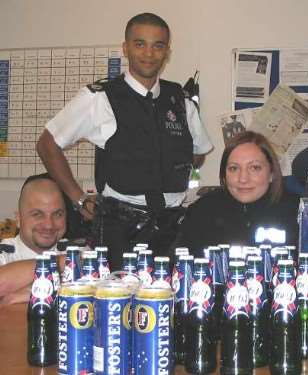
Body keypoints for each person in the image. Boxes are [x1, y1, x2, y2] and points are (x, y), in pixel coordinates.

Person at [36, 13, 213, 271]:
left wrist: (179, 171)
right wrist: (77, 198)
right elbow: (47, 144)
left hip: (173, 229)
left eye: (158, 45)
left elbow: (198, 152)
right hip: (120, 231)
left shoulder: (181, 100)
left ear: (167, 52)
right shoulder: (100, 98)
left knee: (172, 304)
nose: (149, 54)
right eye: (140, 44)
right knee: (119, 306)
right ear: (126, 48)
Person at [174, 131, 299, 257]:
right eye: (234, 168)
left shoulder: (297, 212)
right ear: (224, 175)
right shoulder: (201, 211)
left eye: (254, 168)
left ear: (271, 173)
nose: (243, 179)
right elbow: (177, 267)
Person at [0, 177, 66, 305]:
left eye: (57, 214)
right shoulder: (4, 253)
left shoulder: (76, 250)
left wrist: (32, 292)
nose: (48, 225)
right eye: (37, 214)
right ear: (19, 219)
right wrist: (60, 262)